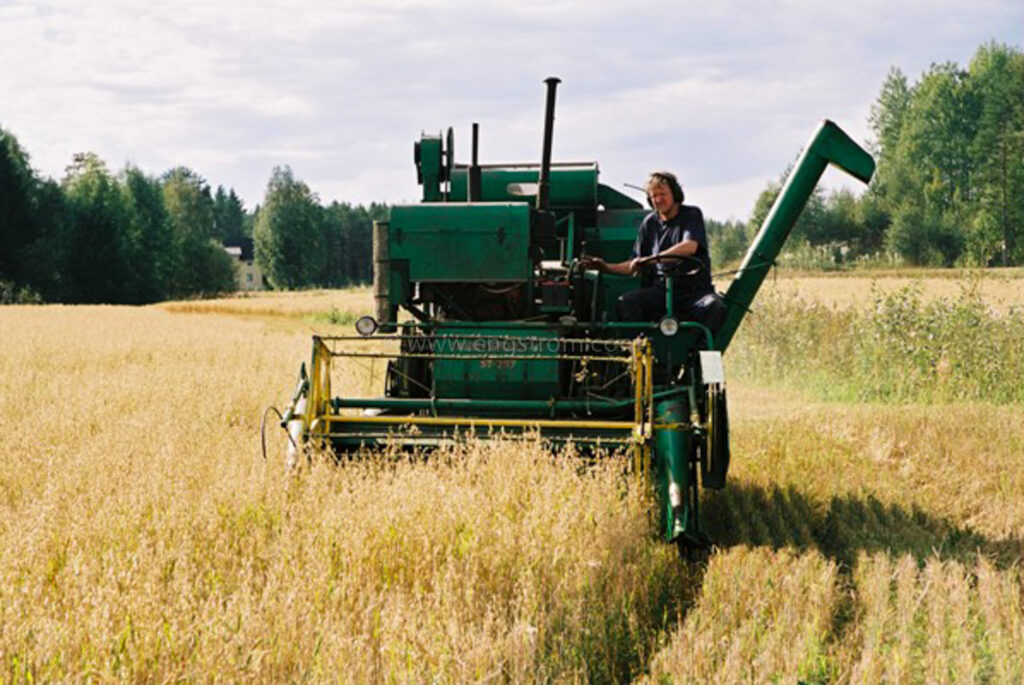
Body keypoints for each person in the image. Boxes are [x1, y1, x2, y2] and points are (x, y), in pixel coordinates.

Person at [581, 171, 723, 329]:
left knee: (714, 306)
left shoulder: (691, 215)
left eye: (663, 194)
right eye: (654, 196)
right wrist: (605, 266)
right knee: (626, 302)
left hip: (694, 291)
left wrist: (653, 259)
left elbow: (689, 247)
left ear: (675, 194)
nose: (658, 200)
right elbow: (633, 264)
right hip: (662, 292)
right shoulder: (649, 224)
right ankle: (639, 348)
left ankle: (700, 351)